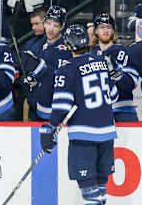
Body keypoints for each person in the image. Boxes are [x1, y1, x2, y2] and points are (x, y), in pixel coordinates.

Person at [40, 24, 118, 205]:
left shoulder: (67, 70)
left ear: (67, 45)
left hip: (84, 135)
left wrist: (50, 127)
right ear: (88, 41)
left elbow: (61, 106)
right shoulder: (102, 64)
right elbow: (113, 96)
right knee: (100, 186)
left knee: (88, 187)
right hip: (107, 133)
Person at [25, 5, 71, 121]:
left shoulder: (67, 49)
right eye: (48, 23)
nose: (51, 28)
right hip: (37, 109)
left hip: (57, 112)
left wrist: (44, 75)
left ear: (62, 27)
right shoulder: (37, 45)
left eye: (56, 25)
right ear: (44, 23)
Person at [90, 13, 138, 122]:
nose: (106, 31)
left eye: (109, 27)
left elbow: (131, 84)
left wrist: (116, 71)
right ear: (96, 31)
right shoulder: (91, 55)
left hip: (123, 112)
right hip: (98, 112)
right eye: (102, 27)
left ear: (113, 31)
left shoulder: (123, 52)